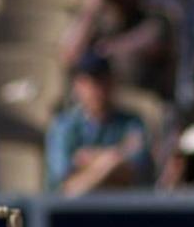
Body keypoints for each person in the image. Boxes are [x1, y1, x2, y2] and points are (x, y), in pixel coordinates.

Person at [44, 50, 153, 194]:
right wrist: (112, 161)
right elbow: (66, 184)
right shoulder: (63, 126)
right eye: (88, 82)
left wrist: (90, 160)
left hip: (120, 207)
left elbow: (137, 167)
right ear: (77, 86)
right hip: (71, 212)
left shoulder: (132, 122)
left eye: (102, 81)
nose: (97, 89)